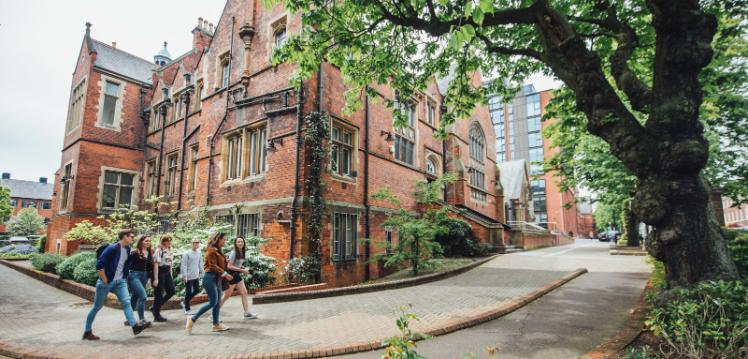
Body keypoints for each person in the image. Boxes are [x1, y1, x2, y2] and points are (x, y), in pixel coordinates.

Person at [82, 229, 148, 340]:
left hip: (120, 282)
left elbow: (124, 264)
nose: (133, 238)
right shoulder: (112, 248)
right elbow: (99, 265)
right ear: (124, 237)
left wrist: (124, 276)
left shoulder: (127, 249)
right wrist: (104, 279)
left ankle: (135, 327)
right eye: (131, 236)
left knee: (127, 302)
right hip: (107, 282)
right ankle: (87, 331)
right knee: (97, 307)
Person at [186, 232, 232, 334]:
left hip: (217, 279)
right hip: (210, 278)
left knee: (217, 302)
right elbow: (212, 266)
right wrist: (225, 273)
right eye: (224, 239)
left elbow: (218, 264)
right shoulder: (211, 249)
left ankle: (216, 325)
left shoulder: (218, 250)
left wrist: (225, 262)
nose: (225, 241)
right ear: (217, 239)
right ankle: (192, 319)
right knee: (213, 302)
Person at [220, 237, 257, 319]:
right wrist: (242, 270)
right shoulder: (234, 253)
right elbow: (229, 266)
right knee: (226, 295)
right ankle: (214, 314)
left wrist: (242, 268)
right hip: (231, 276)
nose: (240, 243)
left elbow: (237, 264)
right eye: (238, 242)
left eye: (241, 242)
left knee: (244, 292)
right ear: (235, 243)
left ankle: (246, 313)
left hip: (237, 275)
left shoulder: (241, 252)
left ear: (244, 243)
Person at [125, 235, 153, 327]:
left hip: (144, 276)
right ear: (141, 241)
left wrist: (149, 279)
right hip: (134, 275)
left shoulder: (149, 252)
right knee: (143, 296)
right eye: (146, 241)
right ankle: (142, 320)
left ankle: (129, 319)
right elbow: (126, 265)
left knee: (135, 296)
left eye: (149, 241)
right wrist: (125, 277)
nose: (148, 242)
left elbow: (149, 268)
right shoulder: (134, 252)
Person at [152, 235, 175, 322]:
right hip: (160, 272)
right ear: (163, 241)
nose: (169, 242)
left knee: (171, 291)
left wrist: (171, 274)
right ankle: (156, 315)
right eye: (167, 240)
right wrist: (156, 278)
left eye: (170, 240)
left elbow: (170, 264)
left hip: (167, 272)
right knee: (158, 294)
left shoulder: (169, 250)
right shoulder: (159, 250)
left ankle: (155, 308)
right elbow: (156, 265)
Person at [180, 237, 204, 315]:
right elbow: (184, 265)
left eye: (197, 242)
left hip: (196, 275)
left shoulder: (199, 252)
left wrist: (202, 273)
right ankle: (187, 309)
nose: (196, 244)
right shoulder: (187, 253)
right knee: (188, 292)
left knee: (197, 290)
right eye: (194, 242)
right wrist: (184, 276)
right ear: (191, 243)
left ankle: (184, 302)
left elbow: (200, 263)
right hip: (188, 276)